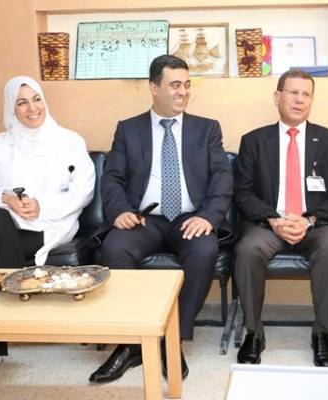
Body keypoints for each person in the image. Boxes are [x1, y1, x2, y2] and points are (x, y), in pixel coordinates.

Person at [89, 54, 233, 383]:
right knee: (114, 248)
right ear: (154, 88)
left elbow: (222, 178)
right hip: (144, 219)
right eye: (174, 85)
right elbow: (112, 178)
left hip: (190, 218)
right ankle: (132, 342)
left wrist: (208, 217)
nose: (183, 92)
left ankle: (172, 339)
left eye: (187, 85)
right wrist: (121, 211)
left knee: (205, 249)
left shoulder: (207, 129)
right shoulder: (128, 129)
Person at [0, 76, 95, 382]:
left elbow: (84, 191)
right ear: (12, 108)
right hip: (6, 226)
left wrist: (41, 206)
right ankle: (1, 331)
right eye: (22, 102)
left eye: (36, 99)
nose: (32, 108)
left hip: (51, 225)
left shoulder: (70, 141)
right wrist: (5, 198)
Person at [234, 69, 328, 367]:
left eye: (306, 94)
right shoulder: (254, 141)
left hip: (315, 224)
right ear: (277, 97)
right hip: (269, 224)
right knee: (247, 250)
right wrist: (274, 220)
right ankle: (254, 333)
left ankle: (322, 333)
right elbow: (243, 192)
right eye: (293, 92)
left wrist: (310, 220)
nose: (299, 100)